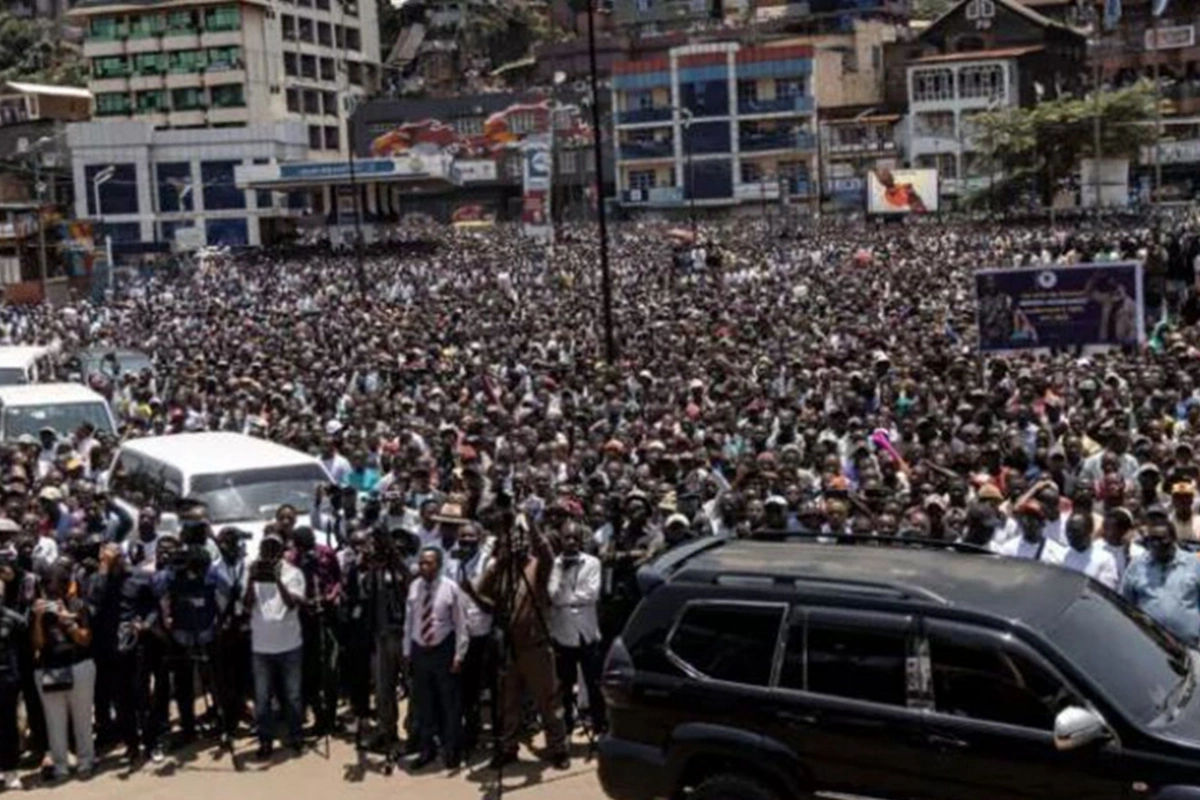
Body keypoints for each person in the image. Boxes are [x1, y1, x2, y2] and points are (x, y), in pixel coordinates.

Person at [478, 516, 569, 771]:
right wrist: (499, 563)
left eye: (520, 540)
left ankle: (558, 747)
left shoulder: (537, 566)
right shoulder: (501, 569)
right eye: (510, 541)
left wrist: (532, 526)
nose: (515, 544)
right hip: (509, 648)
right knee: (508, 701)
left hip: (536, 647)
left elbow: (548, 555)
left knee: (548, 700)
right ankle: (508, 748)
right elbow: (480, 591)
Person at [403, 546, 468, 771]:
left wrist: (459, 655)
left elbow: (461, 625)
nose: (423, 567)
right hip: (420, 651)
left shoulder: (451, 589)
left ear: (438, 565)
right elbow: (409, 622)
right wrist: (406, 652)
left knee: (449, 703)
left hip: (443, 649)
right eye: (421, 563)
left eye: (428, 563)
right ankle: (427, 749)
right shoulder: (414, 587)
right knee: (424, 703)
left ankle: (452, 750)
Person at [31, 560, 95, 782]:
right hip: (47, 669)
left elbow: (85, 640)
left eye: (55, 581)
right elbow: (37, 645)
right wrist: (39, 618)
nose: (51, 586)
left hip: (79, 666)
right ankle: (61, 766)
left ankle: (86, 760)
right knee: (54, 721)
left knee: (82, 718)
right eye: (47, 581)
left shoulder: (78, 605)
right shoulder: (38, 607)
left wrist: (66, 620)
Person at [244, 533, 306, 760]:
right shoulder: (253, 571)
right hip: (261, 647)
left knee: (292, 696)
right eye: (265, 548)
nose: (268, 552)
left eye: (273, 548)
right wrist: (251, 580)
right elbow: (247, 604)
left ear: (280, 551)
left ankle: (296, 736)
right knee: (262, 699)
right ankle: (265, 740)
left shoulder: (293, 573)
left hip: (289, 644)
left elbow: (292, 604)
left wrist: (277, 580)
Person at [548, 524, 606, 735]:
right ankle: (568, 725)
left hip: (587, 633)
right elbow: (552, 595)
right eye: (567, 537)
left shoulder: (592, 563)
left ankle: (599, 724)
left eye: (574, 537)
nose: (570, 541)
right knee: (565, 684)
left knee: (594, 683)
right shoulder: (555, 565)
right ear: (561, 540)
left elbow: (591, 594)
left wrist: (566, 600)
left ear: (580, 541)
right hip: (563, 634)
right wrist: (565, 581)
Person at [1121, 513, 1200, 646]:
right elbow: (1127, 604)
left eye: (1161, 539)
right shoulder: (1137, 566)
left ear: (1173, 538)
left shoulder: (1193, 564)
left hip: (1189, 646)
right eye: (1152, 540)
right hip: (1150, 646)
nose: (1156, 544)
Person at [994, 501, 1067, 565]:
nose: (1027, 523)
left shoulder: (1056, 552)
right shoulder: (1008, 549)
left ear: (1043, 523)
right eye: (1024, 519)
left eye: (1033, 519)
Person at [1060, 513, 1119, 590]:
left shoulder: (1105, 559)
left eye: (1076, 532)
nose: (1071, 536)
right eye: (1068, 531)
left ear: (1089, 531)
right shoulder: (1062, 554)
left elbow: (1106, 591)